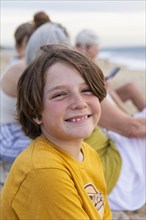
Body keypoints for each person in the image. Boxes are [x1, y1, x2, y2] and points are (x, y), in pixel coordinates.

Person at [0, 44, 112, 220]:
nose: (79, 102)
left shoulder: (88, 153)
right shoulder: (43, 171)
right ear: (36, 113)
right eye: (60, 94)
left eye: (86, 90)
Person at [0, 20, 63, 183]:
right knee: (56, 149)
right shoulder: (22, 70)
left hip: (20, 129)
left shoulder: (31, 67)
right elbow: (39, 115)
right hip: (7, 135)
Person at [75, 29, 146, 114]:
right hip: (98, 102)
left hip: (100, 98)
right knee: (115, 89)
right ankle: (128, 117)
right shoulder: (82, 64)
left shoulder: (86, 62)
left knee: (127, 87)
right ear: (87, 47)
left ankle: (128, 116)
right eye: (96, 46)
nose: (98, 50)